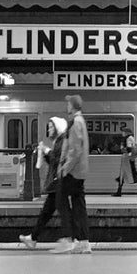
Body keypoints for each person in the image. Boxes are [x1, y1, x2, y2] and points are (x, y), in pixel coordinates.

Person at [20, 117, 69, 249]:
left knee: (62, 211)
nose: (49, 129)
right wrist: (46, 154)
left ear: (58, 127)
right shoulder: (58, 141)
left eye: (51, 127)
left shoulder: (62, 140)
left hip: (59, 181)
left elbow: (59, 159)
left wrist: (46, 151)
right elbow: (53, 162)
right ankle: (33, 238)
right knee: (47, 213)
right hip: (56, 182)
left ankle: (70, 238)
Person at [54, 94, 92, 254]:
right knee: (78, 206)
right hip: (80, 171)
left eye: (68, 103)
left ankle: (68, 237)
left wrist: (65, 168)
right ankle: (83, 242)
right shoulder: (80, 121)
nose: (67, 106)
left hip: (73, 171)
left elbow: (75, 150)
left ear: (73, 106)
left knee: (60, 199)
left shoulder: (76, 123)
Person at [112, 129, 137, 197]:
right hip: (127, 159)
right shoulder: (128, 138)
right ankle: (119, 191)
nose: (122, 133)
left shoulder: (128, 138)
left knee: (133, 174)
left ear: (127, 132)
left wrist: (128, 155)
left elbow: (129, 148)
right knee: (122, 175)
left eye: (124, 132)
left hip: (128, 160)